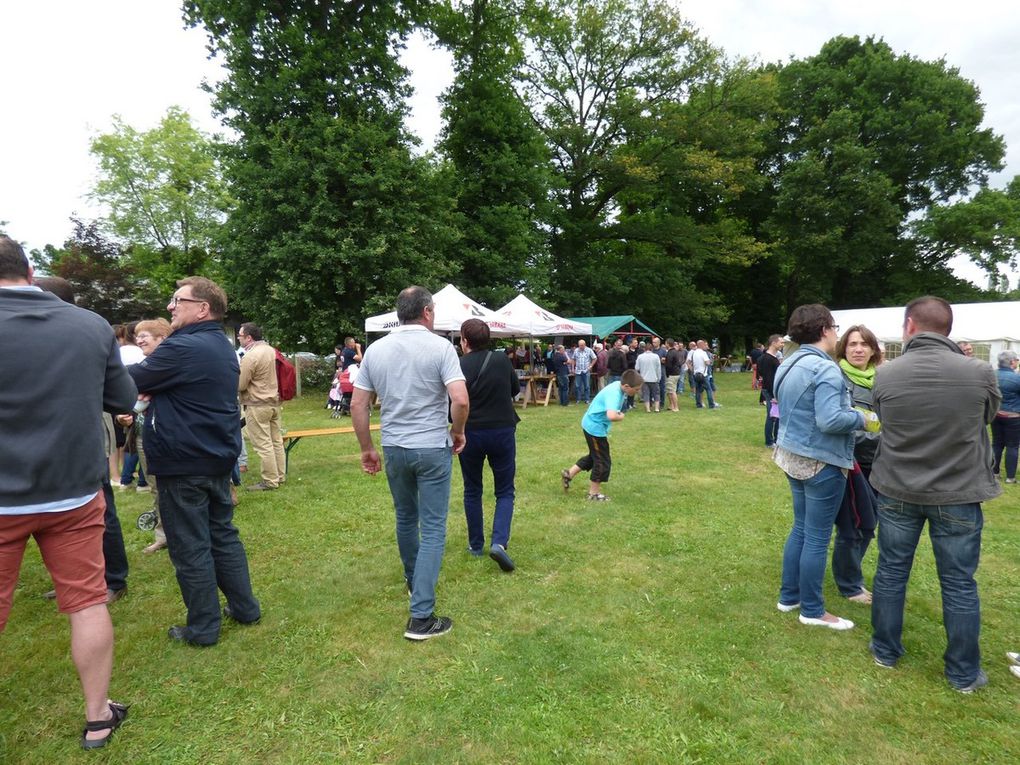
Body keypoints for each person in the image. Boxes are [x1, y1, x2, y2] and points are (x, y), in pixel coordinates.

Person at [0, 235, 137, 749]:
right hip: (73, 489)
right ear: (29, 271)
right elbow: (121, 397)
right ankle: (98, 716)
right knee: (85, 602)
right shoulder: (90, 325)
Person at [869, 297, 1000, 693]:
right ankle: (962, 673)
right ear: (948, 328)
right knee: (959, 582)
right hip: (957, 491)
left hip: (898, 488)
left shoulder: (885, 374)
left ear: (910, 326)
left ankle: (885, 651)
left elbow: (883, 417)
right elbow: (987, 416)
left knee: (892, 571)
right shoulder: (979, 372)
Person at [128, 277, 261, 646]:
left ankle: (203, 628)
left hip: (183, 461)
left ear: (202, 308)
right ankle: (245, 608)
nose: (170, 306)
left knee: (190, 545)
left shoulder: (184, 345)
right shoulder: (218, 343)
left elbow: (129, 380)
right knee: (222, 535)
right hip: (214, 455)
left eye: (177, 300)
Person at [352, 286, 469, 641]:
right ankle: (421, 616)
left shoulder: (376, 349)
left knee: (406, 516)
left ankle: (412, 578)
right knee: (432, 527)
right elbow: (460, 400)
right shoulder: (441, 347)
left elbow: (359, 405)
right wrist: (458, 431)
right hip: (431, 446)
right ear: (428, 312)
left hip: (394, 446)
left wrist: (367, 448)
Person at [773, 304, 866, 631]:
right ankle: (811, 609)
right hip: (820, 462)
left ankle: (790, 596)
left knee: (801, 528)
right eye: (835, 326)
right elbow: (830, 420)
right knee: (815, 537)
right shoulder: (824, 369)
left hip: (792, 456)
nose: (838, 333)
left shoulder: (789, 362)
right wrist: (863, 418)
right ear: (825, 329)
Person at [457, 319, 520, 572]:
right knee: (505, 490)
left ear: (464, 340)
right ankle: (499, 543)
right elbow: (514, 389)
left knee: (472, 489)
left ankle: (475, 545)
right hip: (502, 429)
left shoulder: (458, 364)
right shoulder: (502, 360)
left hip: (470, 431)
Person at [832, 325, 883, 605]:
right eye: (852, 344)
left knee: (870, 523)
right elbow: (840, 424)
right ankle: (850, 585)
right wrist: (881, 435)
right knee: (856, 525)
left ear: (873, 349)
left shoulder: (882, 379)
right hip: (850, 463)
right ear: (843, 348)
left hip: (880, 464)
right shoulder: (836, 378)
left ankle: (849, 575)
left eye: (864, 344)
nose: (858, 349)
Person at [560, 369, 643, 501]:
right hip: (594, 428)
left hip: (592, 425)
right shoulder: (614, 393)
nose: (638, 391)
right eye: (637, 389)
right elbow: (611, 415)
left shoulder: (618, 385)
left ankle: (569, 474)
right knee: (602, 460)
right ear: (627, 386)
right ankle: (593, 494)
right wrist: (620, 416)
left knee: (594, 456)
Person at [131, 318, 173, 553]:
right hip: (143, 432)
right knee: (155, 486)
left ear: (162, 339)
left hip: (164, 435)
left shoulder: (166, 365)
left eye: (145, 335)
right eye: (138, 335)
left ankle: (176, 535)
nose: (139, 339)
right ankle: (163, 534)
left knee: (171, 487)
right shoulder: (145, 365)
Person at [237, 322, 286, 491]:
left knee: (263, 444)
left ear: (249, 337)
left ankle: (270, 481)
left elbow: (241, 384)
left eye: (240, 336)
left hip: (257, 404)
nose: (238, 339)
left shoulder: (250, 356)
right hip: (274, 402)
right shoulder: (271, 350)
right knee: (276, 441)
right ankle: (280, 476)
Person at [991, 350, 1020, 484]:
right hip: (1013, 417)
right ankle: (1010, 478)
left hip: (996, 414)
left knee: (997, 444)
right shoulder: (1017, 378)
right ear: (1012, 361)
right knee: (1012, 446)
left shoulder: (992, 375)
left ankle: (994, 473)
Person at [757, 335, 783, 447]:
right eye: (781, 342)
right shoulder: (768, 359)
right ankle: (769, 441)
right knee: (772, 416)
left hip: (770, 390)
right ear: (773, 342)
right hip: (771, 392)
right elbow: (768, 378)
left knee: (776, 416)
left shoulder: (768, 357)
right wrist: (774, 396)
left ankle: (777, 439)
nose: (783, 345)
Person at [690, 340, 719, 409]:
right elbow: (707, 363)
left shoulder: (694, 353)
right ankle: (711, 405)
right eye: (704, 345)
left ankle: (698, 405)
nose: (705, 346)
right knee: (709, 390)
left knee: (698, 390)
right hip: (703, 374)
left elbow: (690, 362)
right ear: (701, 345)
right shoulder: (703, 353)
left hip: (696, 374)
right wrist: (711, 360)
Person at [636, 342, 662, 412]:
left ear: (645, 349)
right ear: (652, 349)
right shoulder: (656, 356)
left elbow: (637, 368)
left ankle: (648, 409)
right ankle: (656, 408)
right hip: (654, 378)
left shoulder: (640, 356)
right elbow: (658, 368)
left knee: (646, 394)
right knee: (656, 394)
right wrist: (659, 378)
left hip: (644, 378)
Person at [573, 339, 596, 404]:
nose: (581, 347)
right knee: (577, 386)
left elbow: (595, 358)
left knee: (587, 386)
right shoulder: (576, 350)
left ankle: (587, 399)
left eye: (582, 345)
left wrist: (591, 366)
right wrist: (573, 368)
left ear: (585, 345)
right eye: (580, 345)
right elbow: (573, 359)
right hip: (578, 371)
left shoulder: (589, 350)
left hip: (586, 370)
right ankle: (578, 399)